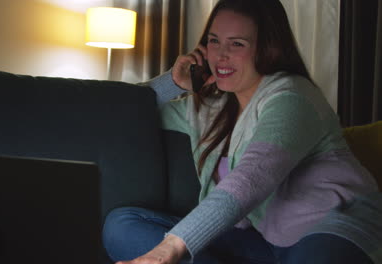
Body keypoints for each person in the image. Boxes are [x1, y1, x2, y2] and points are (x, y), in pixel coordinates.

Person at [103, 0, 382, 263]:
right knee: (122, 225)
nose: (220, 55)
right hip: (264, 243)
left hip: (332, 229)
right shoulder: (206, 108)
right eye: (214, 41)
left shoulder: (293, 97)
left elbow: (251, 178)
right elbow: (123, 113)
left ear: (267, 48)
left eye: (237, 43)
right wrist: (173, 83)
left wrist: (168, 249)